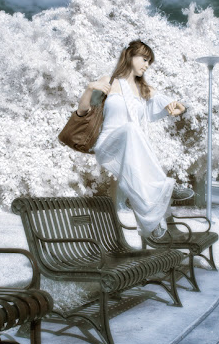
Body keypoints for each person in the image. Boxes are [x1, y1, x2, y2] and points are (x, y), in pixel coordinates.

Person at [76, 40, 192, 239]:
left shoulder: (143, 89)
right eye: (144, 59)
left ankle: (150, 217)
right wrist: (89, 88)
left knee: (138, 175)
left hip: (130, 145)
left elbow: (166, 101)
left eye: (149, 62)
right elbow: (82, 111)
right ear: (130, 56)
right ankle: (165, 188)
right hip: (108, 144)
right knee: (131, 128)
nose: (146, 65)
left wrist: (179, 106)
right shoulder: (109, 81)